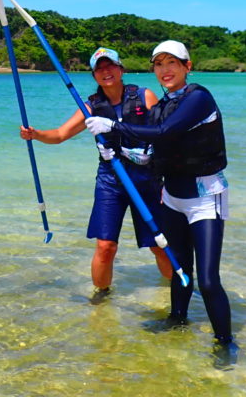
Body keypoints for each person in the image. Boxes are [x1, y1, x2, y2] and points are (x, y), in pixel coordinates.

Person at [84, 39, 238, 367]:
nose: (165, 70)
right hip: (172, 197)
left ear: (187, 66)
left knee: (208, 280)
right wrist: (117, 148)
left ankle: (225, 343)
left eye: (173, 63)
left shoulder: (198, 98)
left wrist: (113, 125)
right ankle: (177, 319)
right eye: (159, 64)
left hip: (204, 197)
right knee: (181, 269)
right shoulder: (164, 103)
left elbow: (167, 131)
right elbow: (144, 136)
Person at [20, 47, 174, 303]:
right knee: (105, 246)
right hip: (110, 181)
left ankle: (175, 291)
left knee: (158, 244)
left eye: (110, 66)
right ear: (94, 75)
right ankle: (100, 302)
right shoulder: (91, 106)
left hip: (146, 180)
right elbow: (59, 135)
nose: (106, 72)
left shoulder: (144, 96)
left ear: (121, 69)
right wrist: (35, 134)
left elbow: (165, 134)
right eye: (100, 69)